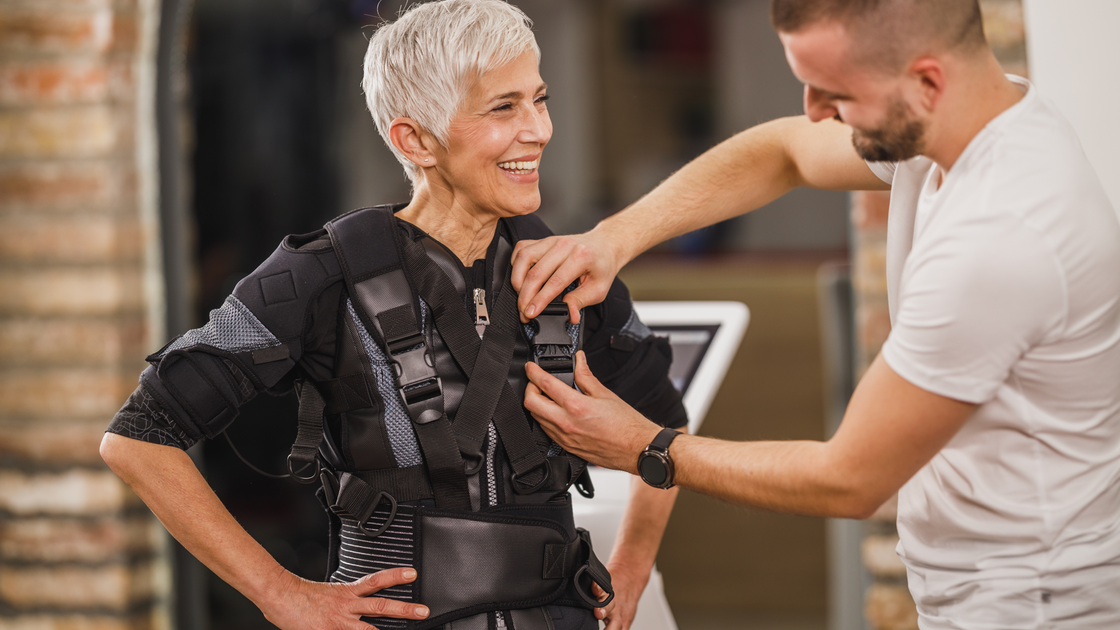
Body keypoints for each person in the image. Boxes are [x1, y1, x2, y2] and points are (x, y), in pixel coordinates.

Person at [512, 0, 1120, 627]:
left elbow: (850, 479)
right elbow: (784, 151)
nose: (812, 110)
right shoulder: (972, 119)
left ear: (928, 81)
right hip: (977, 583)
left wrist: (646, 446)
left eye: (835, 94)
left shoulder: (1002, 239)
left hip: (1035, 603)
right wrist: (615, 238)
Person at [100, 2, 687, 629]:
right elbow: (139, 438)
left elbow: (664, 426)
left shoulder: (572, 270)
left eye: (538, 100)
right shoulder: (318, 274)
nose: (538, 129)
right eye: (503, 107)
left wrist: (631, 564)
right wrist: (280, 591)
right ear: (414, 140)